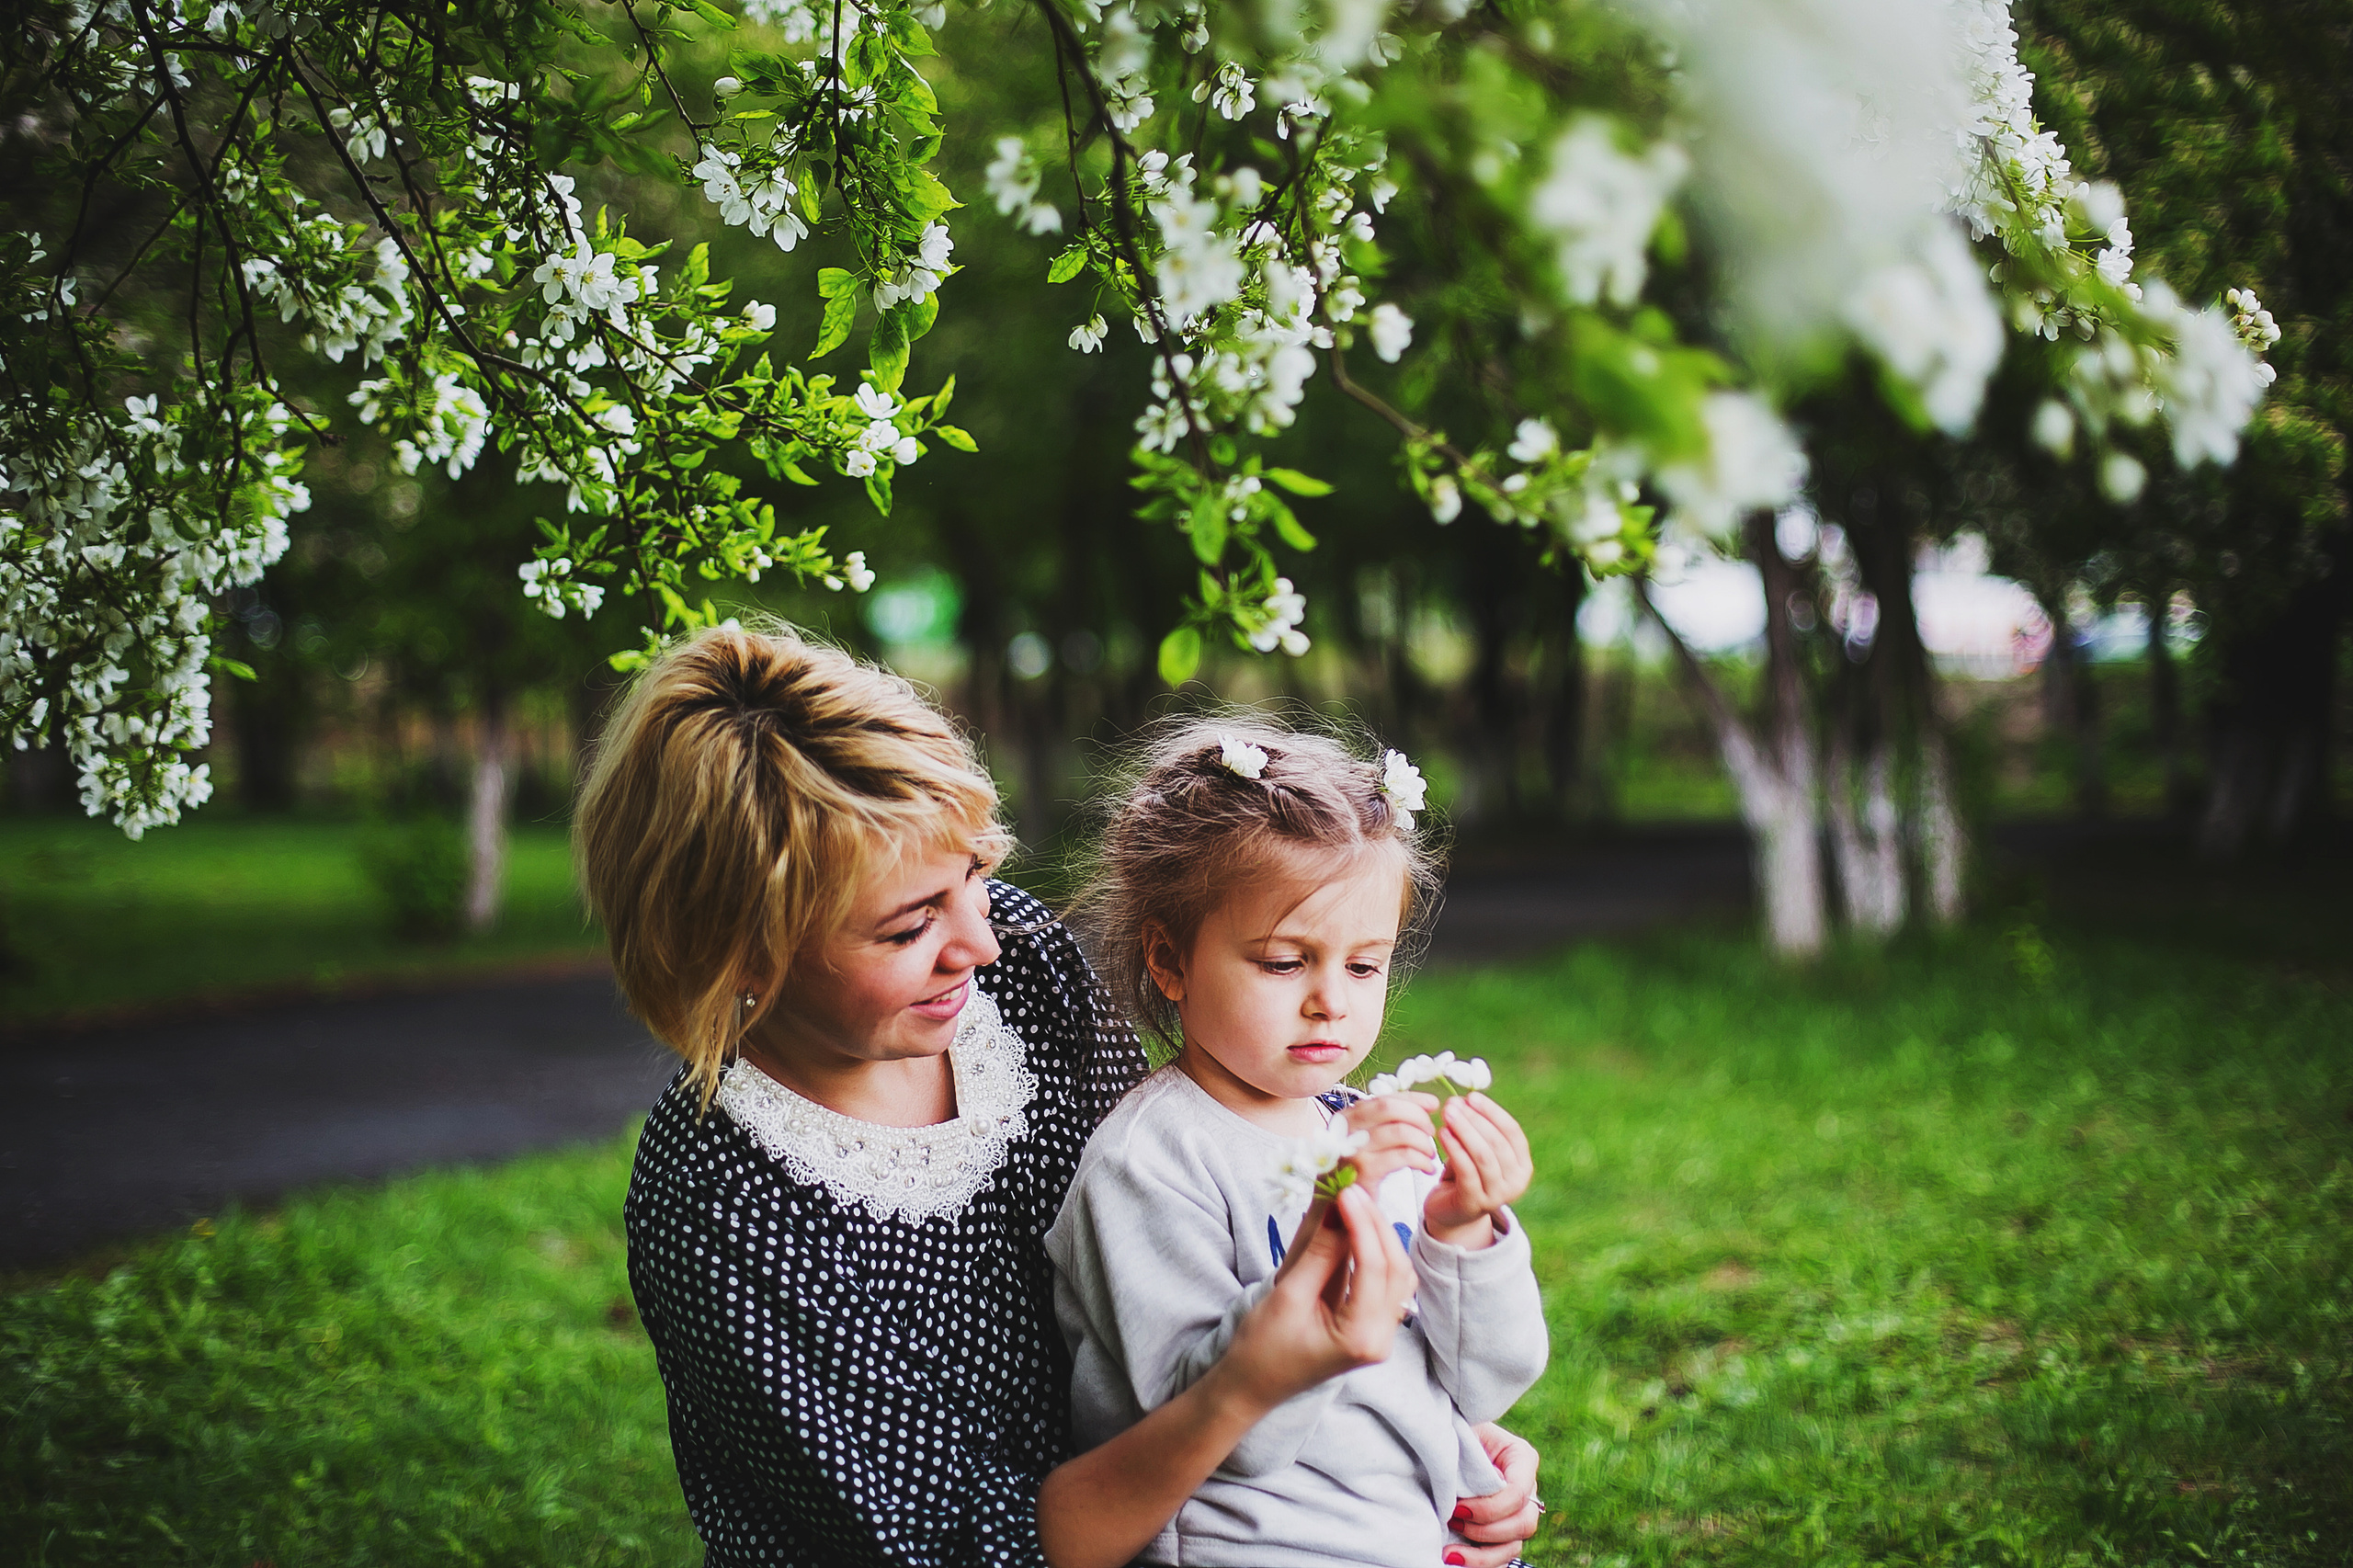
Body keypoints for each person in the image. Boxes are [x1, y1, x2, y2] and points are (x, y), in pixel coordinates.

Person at [572, 622, 1543, 1568]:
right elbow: (953, 1546)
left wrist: (1427, 1434)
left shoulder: (1017, 970)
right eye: (908, 927)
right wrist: (1249, 1386)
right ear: (741, 954)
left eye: (975, 874)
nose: (981, 941)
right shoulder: (720, 1204)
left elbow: (1217, 1207)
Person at [1051, 718, 1548, 1568]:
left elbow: (1484, 1382)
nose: (1331, 1002)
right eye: (1285, 962)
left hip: (1414, 1538)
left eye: (1364, 965)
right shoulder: (1152, 1166)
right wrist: (1313, 1271)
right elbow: (1218, 1432)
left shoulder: (1375, 1134)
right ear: (1169, 961)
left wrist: (1463, 1233)